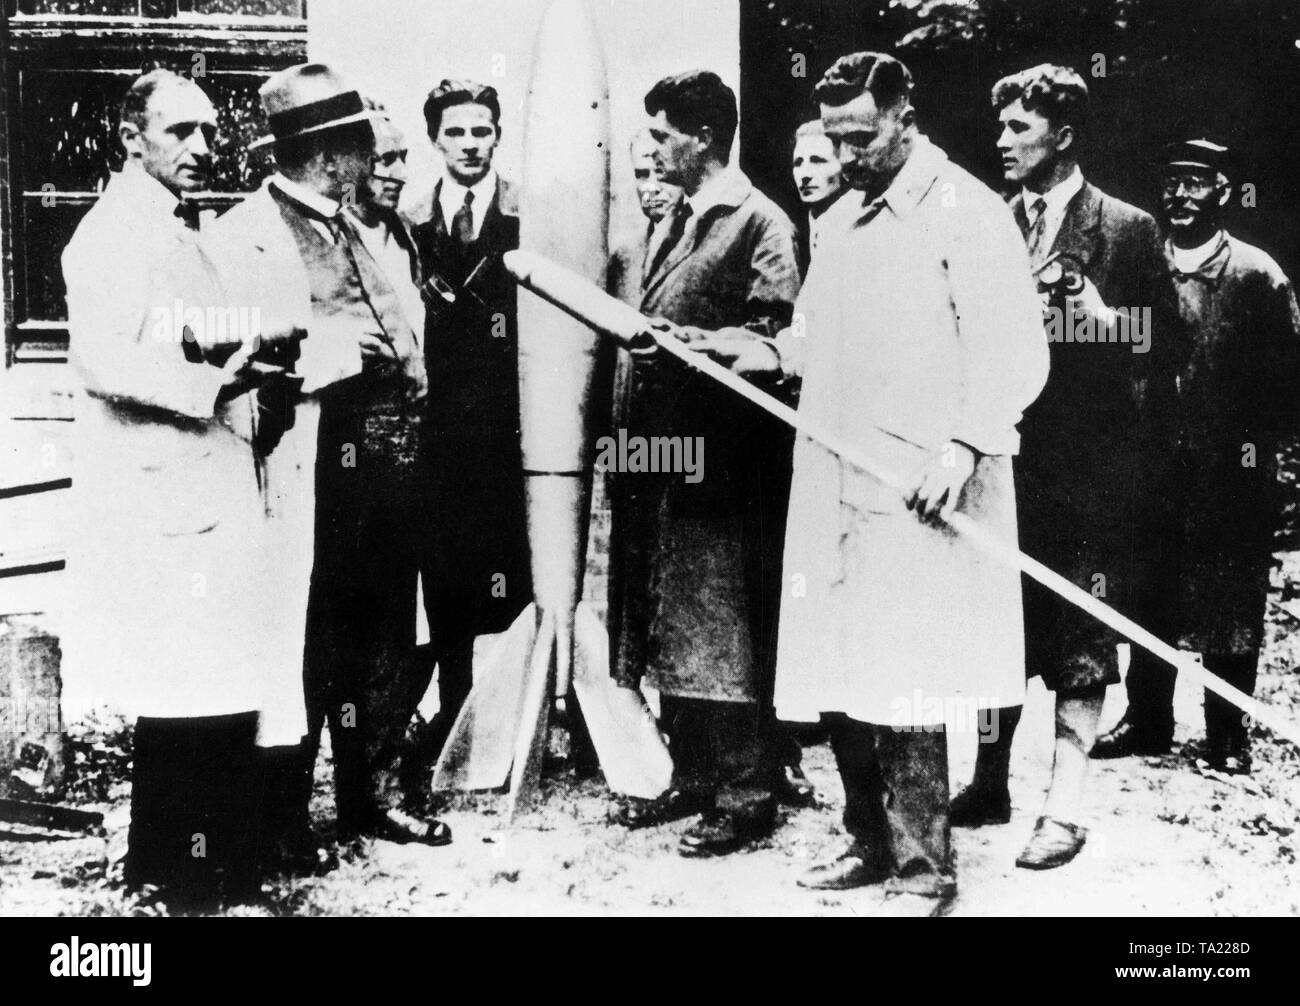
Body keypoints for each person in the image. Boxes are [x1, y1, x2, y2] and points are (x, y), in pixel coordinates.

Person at [714, 51, 1049, 915]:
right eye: (834, 138)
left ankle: (924, 872)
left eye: (860, 138)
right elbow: (812, 338)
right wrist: (750, 350)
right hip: (833, 479)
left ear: (907, 118)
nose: (846, 156)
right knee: (837, 666)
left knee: (907, 678)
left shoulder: (965, 213)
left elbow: (1015, 353)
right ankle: (866, 840)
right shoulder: (848, 219)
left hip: (918, 491)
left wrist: (961, 450)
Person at [61, 69, 299, 907]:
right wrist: (223, 385)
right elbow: (107, 357)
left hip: (205, 483)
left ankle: (193, 863)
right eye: (181, 133)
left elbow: (183, 323)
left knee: (211, 678)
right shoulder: (107, 235)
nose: (203, 148)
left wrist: (258, 337)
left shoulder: (172, 227)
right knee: (187, 684)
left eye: (208, 132)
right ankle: (189, 874)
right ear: (133, 138)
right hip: (166, 496)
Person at [950, 64, 1185, 870]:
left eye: (1020, 127)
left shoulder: (1128, 228)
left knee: (1080, 640)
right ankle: (988, 783)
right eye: (1001, 126)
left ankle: (1065, 808)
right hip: (1002, 459)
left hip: (1088, 472)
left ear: (1065, 135)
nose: (1003, 140)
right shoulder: (987, 222)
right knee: (996, 623)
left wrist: (1104, 319)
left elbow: (1171, 344)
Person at [210, 63, 448, 850]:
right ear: (331, 152)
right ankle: (280, 817)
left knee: (380, 631)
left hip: (385, 472)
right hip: (313, 466)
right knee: (305, 638)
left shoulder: (354, 225)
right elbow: (243, 355)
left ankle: (371, 796)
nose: (369, 160)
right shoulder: (249, 231)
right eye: (359, 146)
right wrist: (346, 351)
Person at [608, 69, 801, 858]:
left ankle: (748, 793)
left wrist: (702, 350)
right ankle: (692, 775)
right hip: (657, 454)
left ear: (703, 138)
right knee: (662, 617)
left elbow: (772, 343)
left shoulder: (760, 223)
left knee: (720, 628)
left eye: (661, 136)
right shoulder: (680, 219)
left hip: (721, 465)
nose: (651, 151)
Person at [1093, 138, 1300, 774]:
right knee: (1144, 589)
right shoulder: (1139, 264)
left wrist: (1256, 458)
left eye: (1197, 183)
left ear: (1225, 193)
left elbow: (1288, 383)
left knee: (1230, 600)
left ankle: (1227, 734)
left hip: (1230, 473)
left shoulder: (1257, 275)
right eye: (1172, 182)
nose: (1181, 196)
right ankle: (1147, 718)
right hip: (1148, 464)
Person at [409, 79, 533, 759]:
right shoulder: (409, 220)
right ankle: (456, 717)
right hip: (437, 434)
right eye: (455, 132)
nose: (469, 145)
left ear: (497, 137)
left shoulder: (527, 214)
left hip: (509, 428)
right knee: (447, 580)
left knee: (510, 573)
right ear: (436, 140)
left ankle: (512, 722)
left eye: (481, 131)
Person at [606, 129, 682, 305]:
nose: (653, 187)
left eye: (661, 173)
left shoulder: (703, 244)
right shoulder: (624, 256)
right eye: (642, 175)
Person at [790, 118, 847, 272]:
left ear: (844, 166)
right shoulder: (791, 233)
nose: (805, 175)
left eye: (818, 161)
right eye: (798, 163)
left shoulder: (860, 232)